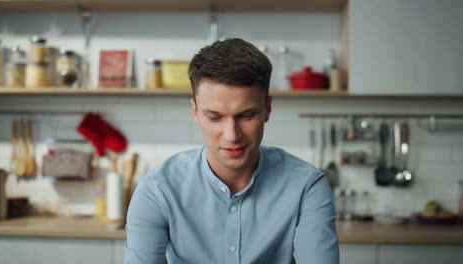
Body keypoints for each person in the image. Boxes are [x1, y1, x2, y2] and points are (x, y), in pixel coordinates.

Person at [125, 38, 339, 264]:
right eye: (215, 117)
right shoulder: (157, 190)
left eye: (246, 116)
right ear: (196, 112)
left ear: (267, 109)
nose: (232, 135)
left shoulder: (307, 186)